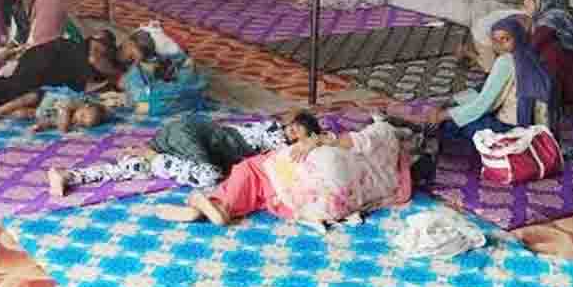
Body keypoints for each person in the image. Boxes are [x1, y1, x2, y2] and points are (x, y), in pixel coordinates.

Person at [157, 112, 413, 226]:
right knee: (257, 192)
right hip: (299, 192)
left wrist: (314, 141)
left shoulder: (327, 137)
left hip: (293, 177)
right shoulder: (299, 144)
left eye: (296, 127)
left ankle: (216, 206)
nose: (291, 132)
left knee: (248, 171)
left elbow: (348, 141)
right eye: (289, 129)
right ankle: (204, 208)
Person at [49, 111, 316, 197]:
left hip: (183, 139)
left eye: (297, 135)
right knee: (211, 177)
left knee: (135, 168)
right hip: (192, 136)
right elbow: (284, 152)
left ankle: (70, 176)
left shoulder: (279, 140)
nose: (291, 135)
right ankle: (153, 157)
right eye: (293, 128)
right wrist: (311, 142)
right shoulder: (273, 131)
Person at [426, 16, 558, 145]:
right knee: (470, 98)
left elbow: (483, 105)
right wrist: (454, 102)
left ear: (517, 37)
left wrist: (442, 115)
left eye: (505, 39)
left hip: (513, 128)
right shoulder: (530, 54)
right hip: (535, 125)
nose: (500, 44)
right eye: (495, 40)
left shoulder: (506, 61)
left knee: (451, 124)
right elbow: (489, 88)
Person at [0, 87, 111, 133]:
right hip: (44, 97)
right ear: (85, 106)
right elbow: (64, 115)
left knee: (21, 114)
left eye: (83, 123)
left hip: (41, 113)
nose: (79, 120)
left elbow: (54, 123)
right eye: (82, 116)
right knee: (24, 100)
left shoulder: (73, 121)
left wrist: (41, 126)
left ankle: (5, 114)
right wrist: (64, 124)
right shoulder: (76, 102)